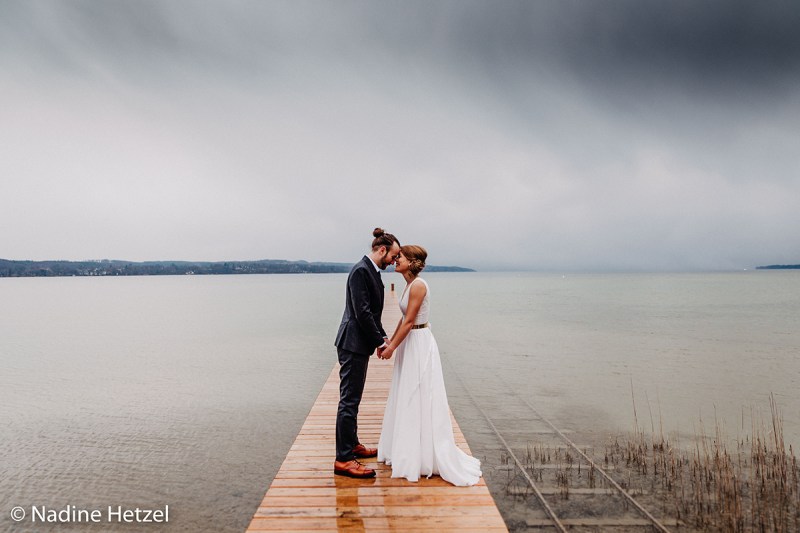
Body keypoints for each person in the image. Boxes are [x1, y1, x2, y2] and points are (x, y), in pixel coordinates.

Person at [377, 245, 482, 486]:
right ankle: (407, 447)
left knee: (419, 393)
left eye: (400, 257)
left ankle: (423, 454)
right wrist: (389, 342)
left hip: (419, 342)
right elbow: (403, 320)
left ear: (411, 261)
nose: (395, 260)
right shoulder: (408, 284)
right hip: (409, 341)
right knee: (407, 393)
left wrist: (393, 348)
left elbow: (411, 321)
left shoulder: (419, 285)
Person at [333, 228, 401, 478]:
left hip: (358, 343)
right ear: (382, 250)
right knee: (348, 401)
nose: (394, 261)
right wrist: (380, 343)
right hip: (352, 343)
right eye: (393, 256)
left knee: (354, 398)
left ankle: (352, 445)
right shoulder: (361, 271)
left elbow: (372, 313)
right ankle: (343, 459)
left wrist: (382, 336)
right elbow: (361, 313)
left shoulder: (370, 270)